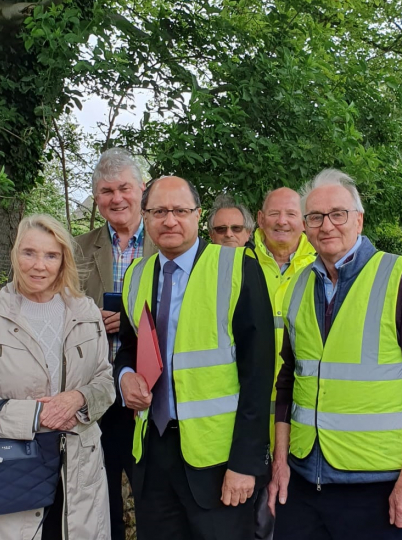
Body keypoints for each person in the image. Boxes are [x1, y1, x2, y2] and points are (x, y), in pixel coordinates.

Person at [268, 170, 402, 540]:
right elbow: (287, 382)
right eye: (315, 217)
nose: (326, 225)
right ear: (305, 226)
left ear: (359, 218)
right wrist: (280, 464)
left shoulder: (401, 278)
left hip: (376, 489)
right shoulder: (300, 284)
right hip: (302, 486)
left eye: (338, 214)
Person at [114, 176, 275, 540]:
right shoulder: (136, 276)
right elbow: (127, 347)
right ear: (145, 216)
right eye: (158, 211)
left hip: (217, 464)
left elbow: (259, 374)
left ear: (198, 216)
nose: (169, 220)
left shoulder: (237, 268)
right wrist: (124, 376)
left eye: (180, 211)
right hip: (153, 456)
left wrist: (245, 465)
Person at [0, 214, 115, 540]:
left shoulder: (85, 313)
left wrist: (77, 399)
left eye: (51, 255)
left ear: (63, 259)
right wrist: (39, 415)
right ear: (15, 254)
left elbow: (104, 381)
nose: (39, 265)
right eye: (29, 253)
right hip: (7, 471)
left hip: (77, 472)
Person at [74, 147, 157, 540]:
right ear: (96, 198)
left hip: (149, 393)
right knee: (99, 500)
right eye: (106, 191)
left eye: (124, 187)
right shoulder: (76, 249)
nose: (117, 198)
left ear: (142, 189)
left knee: (154, 497)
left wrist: (127, 323)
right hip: (94, 393)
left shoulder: (167, 241)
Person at [250, 187, 317, 540]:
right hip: (249, 417)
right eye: (274, 214)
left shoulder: (322, 265)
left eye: (291, 214)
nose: (282, 221)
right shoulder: (238, 265)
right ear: (260, 220)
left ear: (304, 222)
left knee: (293, 520)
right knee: (253, 523)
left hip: (301, 418)